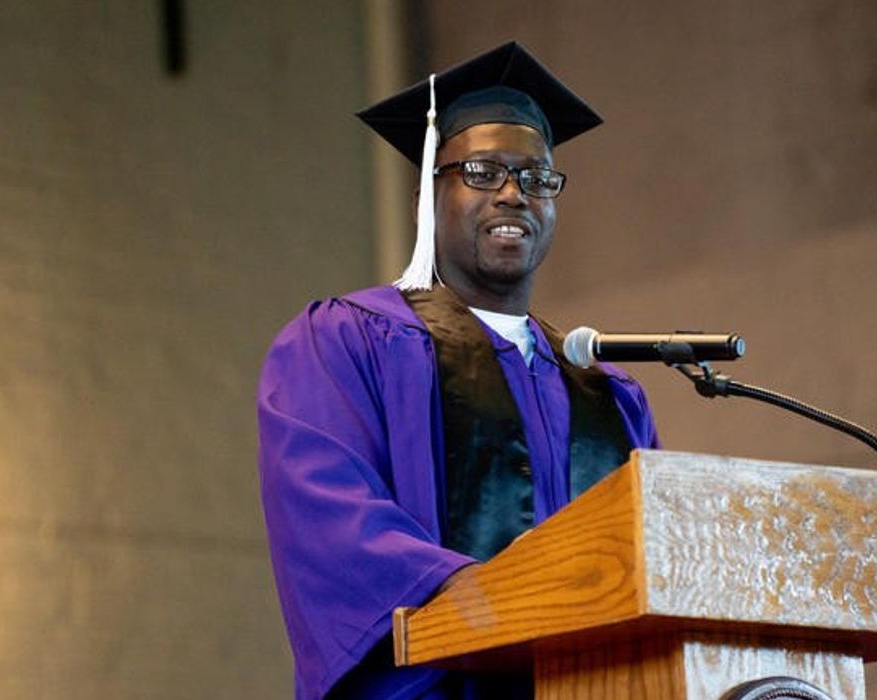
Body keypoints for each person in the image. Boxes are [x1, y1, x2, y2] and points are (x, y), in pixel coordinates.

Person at [256, 42, 659, 699]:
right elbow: (329, 513)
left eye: (536, 178)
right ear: (426, 196)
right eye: (482, 171)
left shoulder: (606, 388)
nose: (513, 194)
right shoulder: (344, 342)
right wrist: (480, 594)